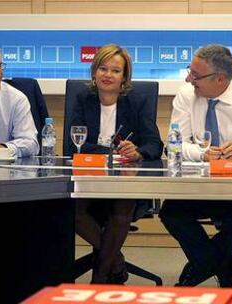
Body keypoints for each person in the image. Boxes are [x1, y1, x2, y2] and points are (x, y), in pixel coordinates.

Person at [159, 44, 232, 288]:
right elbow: (174, 146)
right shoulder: (186, 95)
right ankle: (228, 276)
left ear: (220, 79)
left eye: (195, 75)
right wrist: (203, 154)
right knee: (171, 213)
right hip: (198, 186)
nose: (188, 78)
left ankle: (204, 267)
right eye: (189, 71)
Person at [69, 44, 163, 283]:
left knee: (122, 208)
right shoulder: (83, 99)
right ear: (94, 72)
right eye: (103, 68)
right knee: (73, 212)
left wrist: (138, 152)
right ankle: (116, 261)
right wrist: (110, 153)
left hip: (126, 182)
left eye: (115, 70)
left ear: (124, 77)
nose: (108, 75)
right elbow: (75, 146)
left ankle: (99, 278)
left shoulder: (136, 102)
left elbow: (154, 145)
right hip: (90, 180)